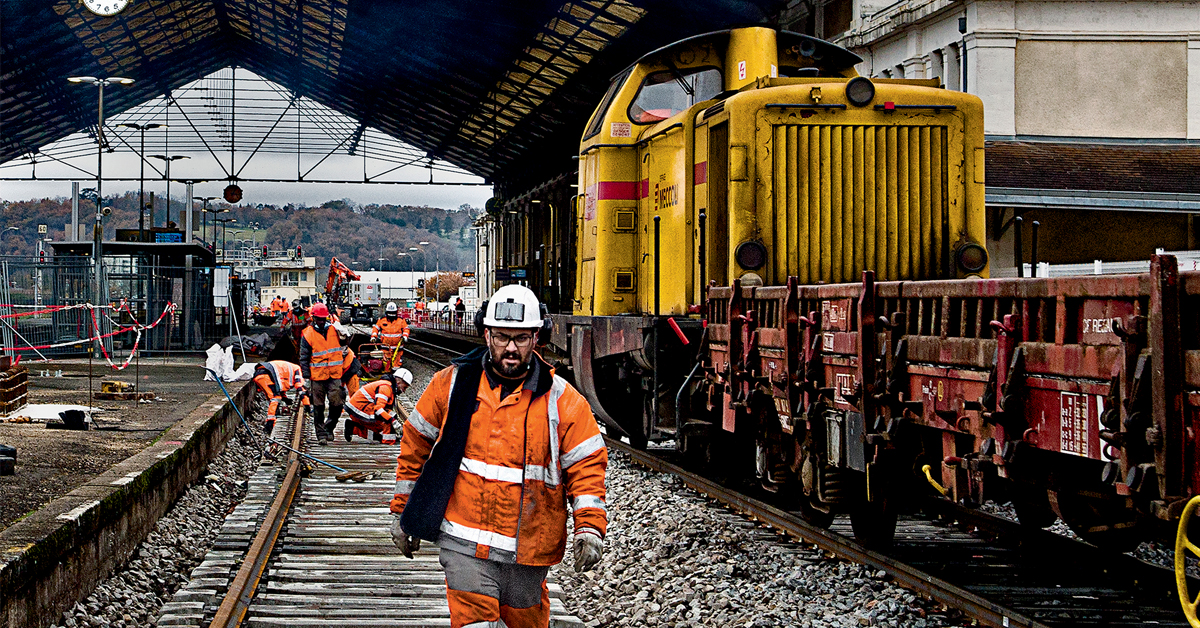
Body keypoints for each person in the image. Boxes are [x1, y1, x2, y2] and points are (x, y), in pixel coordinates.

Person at [389, 284, 607, 628]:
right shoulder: (451, 386)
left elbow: (586, 465)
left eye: (520, 338)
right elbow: (415, 446)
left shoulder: (562, 401)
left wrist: (590, 526)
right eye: (502, 337)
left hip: (530, 548)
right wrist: (404, 512)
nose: (510, 348)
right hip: (463, 543)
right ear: (486, 334)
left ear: (538, 338)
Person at [299, 302, 345, 445]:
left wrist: (344, 334)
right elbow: (304, 357)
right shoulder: (307, 334)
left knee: (337, 402)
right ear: (313, 318)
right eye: (319, 319)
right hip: (317, 376)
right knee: (318, 406)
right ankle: (321, 435)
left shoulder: (334, 330)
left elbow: (345, 344)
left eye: (323, 319)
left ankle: (329, 428)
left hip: (334, 374)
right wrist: (306, 378)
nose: (321, 321)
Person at [344, 367, 413, 444]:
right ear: (399, 382)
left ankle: (353, 429)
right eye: (404, 387)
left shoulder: (388, 386)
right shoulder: (386, 388)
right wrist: (393, 421)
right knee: (387, 419)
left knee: (381, 427)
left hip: (359, 408)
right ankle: (388, 440)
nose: (403, 391)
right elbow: (378, 409)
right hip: (358, 409)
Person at [251, 360, 306, 435]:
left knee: (272, 397)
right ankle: (270, 422)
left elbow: (279, 387)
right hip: (265, 375)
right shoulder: (297, 369)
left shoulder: (287, 369)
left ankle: (273, 416)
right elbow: (299, 386)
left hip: (260, 374)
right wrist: (307, 404)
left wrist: (285, 398)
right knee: (275, 398)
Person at [370, 302, 410, 369]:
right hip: (385, 348)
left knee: (396, 366)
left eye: (393, 313)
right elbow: (375, 329)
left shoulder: (401, 321)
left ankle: (396, 376)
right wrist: (373, 336)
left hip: (398, 348)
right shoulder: (382, 320)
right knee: (385, 365)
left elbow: (406, 329)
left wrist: (405, 336)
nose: (391, 315)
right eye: (390, 313)